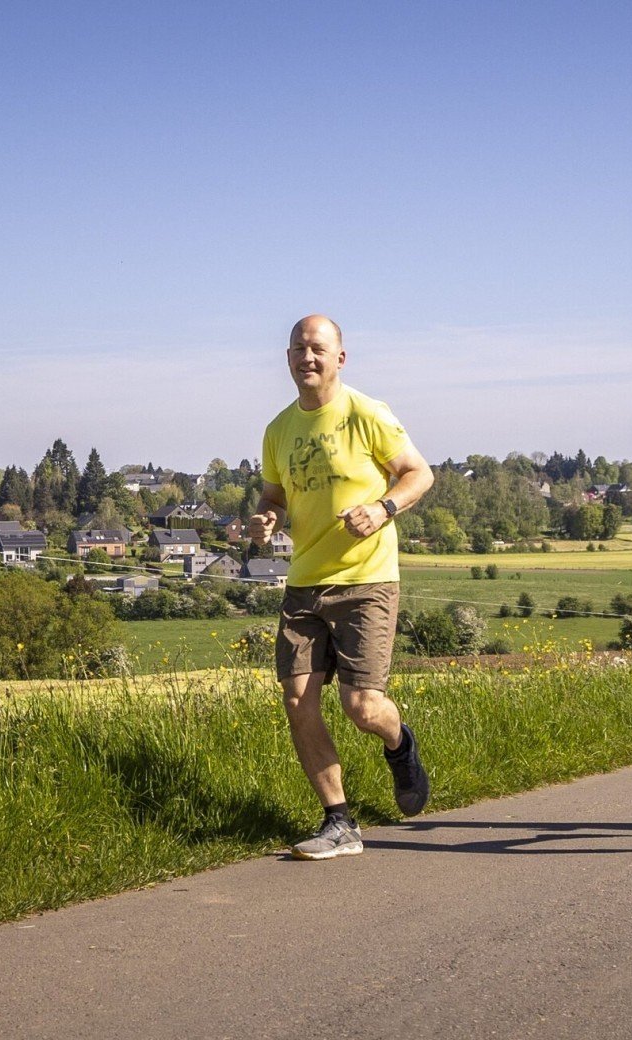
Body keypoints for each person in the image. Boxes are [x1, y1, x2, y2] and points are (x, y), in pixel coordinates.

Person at [249, 314, 435, 860]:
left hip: (365, 580)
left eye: (317, 348)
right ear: (287, 358)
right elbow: (274, 497)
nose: (307, 357)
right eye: (298, 349)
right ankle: (338, 821)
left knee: (362, 706)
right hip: (304, 583)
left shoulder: (366, 413)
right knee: (297, 698)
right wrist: (266, 517)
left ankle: (399, 743)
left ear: (339, 358)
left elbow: (418, 473)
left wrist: (383, 509)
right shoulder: (278, 429)